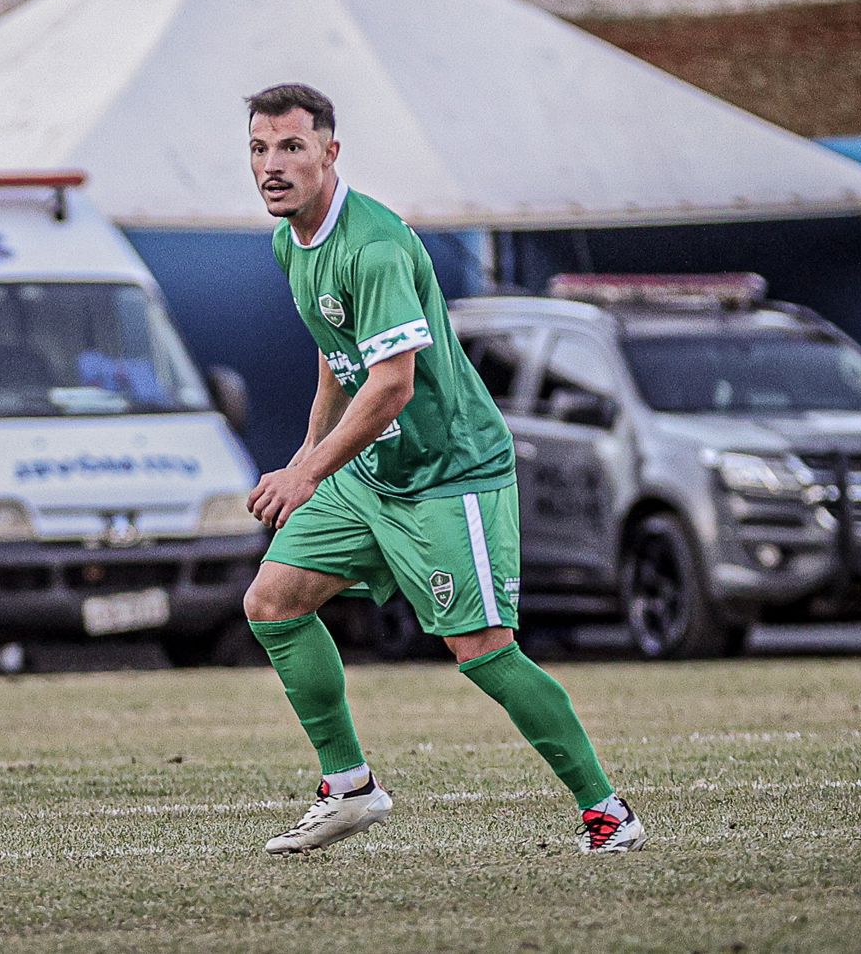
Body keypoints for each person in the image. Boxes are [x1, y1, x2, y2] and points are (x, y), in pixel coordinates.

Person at [241, 84, 645, 855]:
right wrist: (308, 452)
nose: (272, 165)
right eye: (260, 149)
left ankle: (607, 810)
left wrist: (307, 474)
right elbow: (340, 352)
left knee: (484, 651)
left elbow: (392, 385)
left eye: (291, 147)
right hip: (373, 472)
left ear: (331, 151)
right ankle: (349, 786)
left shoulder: (377, 244)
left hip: (449, 474)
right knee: (274, 602)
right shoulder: (290, 241)